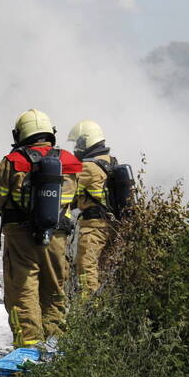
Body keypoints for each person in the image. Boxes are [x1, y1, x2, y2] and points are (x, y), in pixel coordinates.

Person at [0, 109, 81, 347]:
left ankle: (28, 349)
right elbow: (76, 200)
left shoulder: (13, 162)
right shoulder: (69, 162)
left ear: (20, 134)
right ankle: (54, 349)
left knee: (23, 293)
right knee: (55, 293)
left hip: (20, 239)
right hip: (57, 238)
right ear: (50, 133)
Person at [68, 120, 118, 293]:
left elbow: (67, 192)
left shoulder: (88, 166)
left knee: (86, 268)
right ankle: (103, 309)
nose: (76, 148)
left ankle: (88, 311)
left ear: (87, 141)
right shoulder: (110, 161)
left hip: (94, 227)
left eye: (78, 143)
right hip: (111, 226)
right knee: (102, 269)